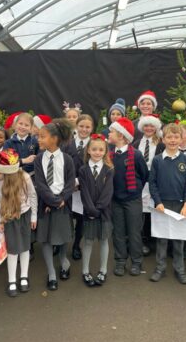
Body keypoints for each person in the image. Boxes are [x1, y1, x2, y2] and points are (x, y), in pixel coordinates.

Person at [149, 123, 186, 284]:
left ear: (182, 139)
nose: (173, 140)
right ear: (163, 139)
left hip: (180, 205)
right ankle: (160, 268)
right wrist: (158, 202)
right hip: (162, 205)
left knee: (178, 238)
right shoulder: (157, 160)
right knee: (162, 238)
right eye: (169, 137)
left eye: (176, 137)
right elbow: (152, 183)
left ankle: (179, 269)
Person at [34, 119, 75, 291]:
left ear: (54, 138)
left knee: (62, 235)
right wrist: (52, 200)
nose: (39, 139)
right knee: (46, 238)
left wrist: (62, 199)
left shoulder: (67, 159)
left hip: (63, 203)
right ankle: (51, 272)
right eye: (38, 136)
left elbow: (70, 181)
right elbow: (41, 183)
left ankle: (64, 261)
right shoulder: (38, 159)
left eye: (42, 136)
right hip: (46, 203)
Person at [0, 149, 37, 297]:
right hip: (8, 217)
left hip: (24, 214)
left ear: (9, 173)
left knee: (24, 247)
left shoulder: (24, 177)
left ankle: (24, 276)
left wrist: (34, 216)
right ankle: (11, 279)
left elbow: (32, 195)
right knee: (12, 249)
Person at [108, 117, 149, 277]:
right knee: (118, 232)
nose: (109, 133)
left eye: (112, 131)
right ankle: (120, 261)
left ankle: (137, 262)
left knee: (134, 232)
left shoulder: (136, 155)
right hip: (116, 200)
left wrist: (135, 191)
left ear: (122, 136)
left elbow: (144, 175)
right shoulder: (110, 155)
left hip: (132, 199)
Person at [78, 134, 114, 287]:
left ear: (105, 151)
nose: (97, 152)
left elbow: (108, 192)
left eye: (101, 150)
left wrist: (98, 209)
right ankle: (85, 271)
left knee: (104, 240)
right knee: (88, 241)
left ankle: (103, 270)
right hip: (89, 213)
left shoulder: (109, 170)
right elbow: (84, 192)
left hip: (103, 212)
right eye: (94, 149)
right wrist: (91, 210)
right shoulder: (83, 170)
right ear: (88, 151)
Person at [62, 114, 94, 261]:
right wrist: (70, 183)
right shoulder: (67, 144)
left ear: (92, 128)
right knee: (64, 217)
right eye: (81, 126)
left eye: (87, 127)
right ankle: (60, 244)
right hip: (67, 187)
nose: (84, 129)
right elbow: (61, 165)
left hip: (84, 188)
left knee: (81, 219)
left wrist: (79, 182)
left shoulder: (94, 145)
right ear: (76, 126)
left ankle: (76, 245)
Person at [132, 114, 164, 256]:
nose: (149, 128)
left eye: (152, 126)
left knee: (152, 209)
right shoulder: (135, 143)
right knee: (140, 210)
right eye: (146, 125)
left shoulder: (161, 144)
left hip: (154, 179)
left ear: (156, 127)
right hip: (139, 180)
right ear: (142, 127)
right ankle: (140, 240)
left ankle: (151, 239)